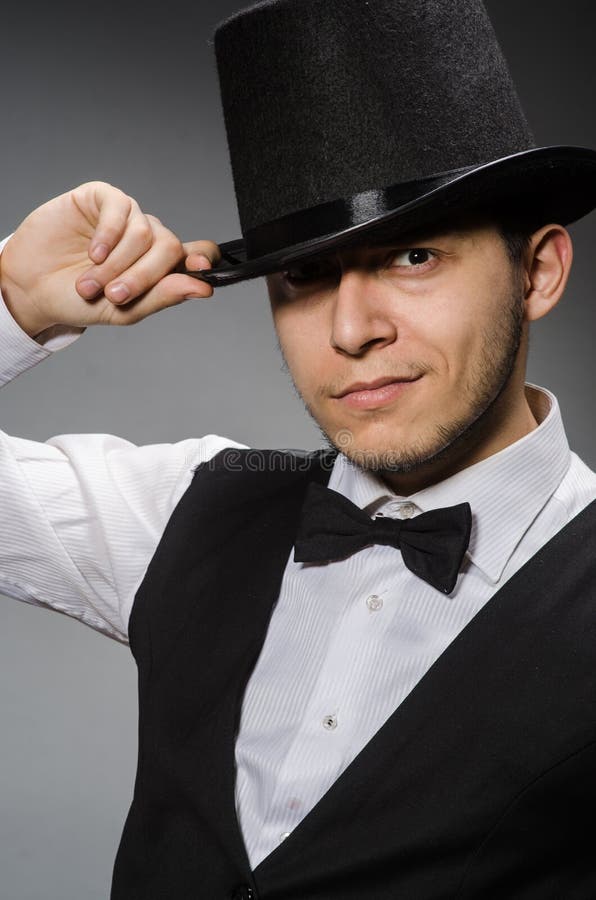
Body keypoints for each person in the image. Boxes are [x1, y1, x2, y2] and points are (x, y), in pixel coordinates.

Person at [2, 1, 596, 898]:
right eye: (306, 276)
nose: (352, 330)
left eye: (414, 258)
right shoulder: (184, 509)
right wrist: (12, 301)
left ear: (537, 272)